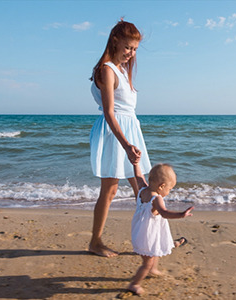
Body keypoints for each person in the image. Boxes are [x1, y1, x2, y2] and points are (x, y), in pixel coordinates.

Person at [88, 20, 152, 257]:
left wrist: (131, 141)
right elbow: (109, 113)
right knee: (110, 190)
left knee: (143, 189)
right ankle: (95, 241)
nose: (131, 53)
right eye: (128, 47)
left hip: (130, 130)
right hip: (115, 133)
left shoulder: (123, 70)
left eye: (134, 49)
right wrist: (126, 145)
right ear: (115, 41)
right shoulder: (107, 69)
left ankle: (150, 241)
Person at [128, 163, 194, 295]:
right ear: (162, 186)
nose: (168, 192)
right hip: (146, 236)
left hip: (141, 230)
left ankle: (154, 269)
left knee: (155, 250)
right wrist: (181, 215)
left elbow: (138, 176)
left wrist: (136, 163)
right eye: (170, 189)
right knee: (147, 262)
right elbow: (164, 213)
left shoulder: (142, 189)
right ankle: (134, 284)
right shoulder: (156, 199)